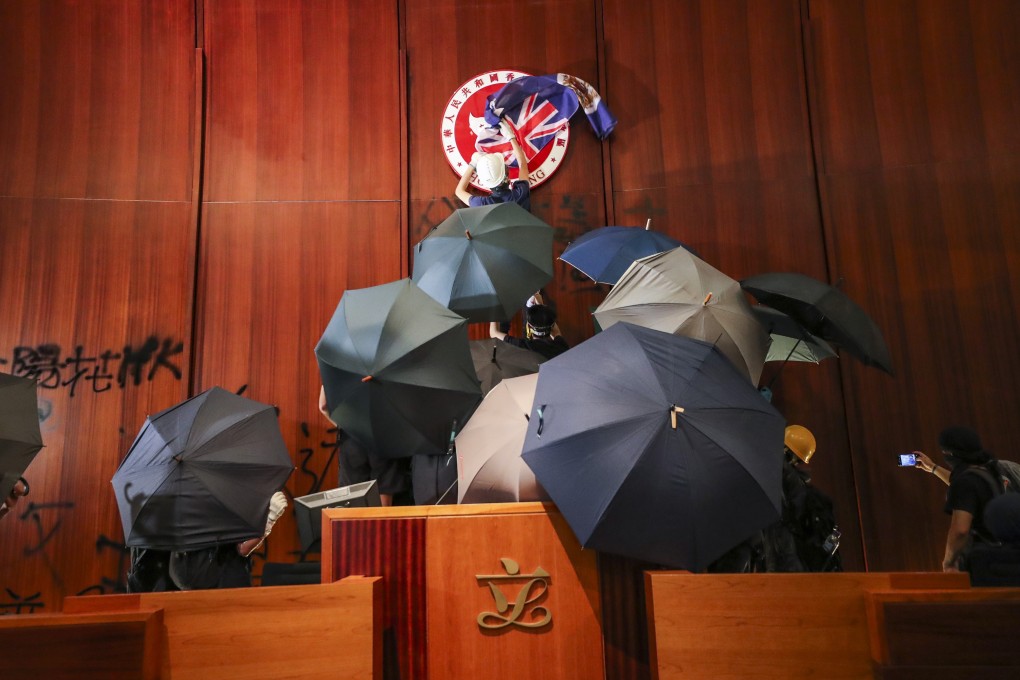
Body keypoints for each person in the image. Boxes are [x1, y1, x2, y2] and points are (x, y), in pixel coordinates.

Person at [126, 491, 287, 592]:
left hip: (187, 581)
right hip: (211, 583)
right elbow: (242, 548)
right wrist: (270, 518)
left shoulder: (178, 495)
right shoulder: (225, 497)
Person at [910, 425, 1005, 572]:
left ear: (949, 452)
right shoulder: (989, 471)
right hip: (1002, 556)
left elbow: (960, 530)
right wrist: (933, 468)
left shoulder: (965, 482)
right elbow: (966, 487)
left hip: (981, 562)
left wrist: (949, 561)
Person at [318, 385, 406, 506]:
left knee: (351, 497)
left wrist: (343, 426)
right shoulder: (386, 369)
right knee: (384, 497)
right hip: (384, 434)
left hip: (351, 436)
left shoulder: (343, 370)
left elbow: (323, 406)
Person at [455, 120, 531, 210]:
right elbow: (522, 164)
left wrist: (473, 163)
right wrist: (511, 137)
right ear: (506, 173)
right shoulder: (520, 194)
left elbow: (459, 191)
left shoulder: (481, 204)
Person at [489, 292, 569, 361]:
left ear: (529, 328)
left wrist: (495, 305)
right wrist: (541, 309)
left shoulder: (523, 346)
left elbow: (494, 333)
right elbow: (556, 332)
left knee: (501, 344)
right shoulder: (561, 347)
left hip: (526, 365)